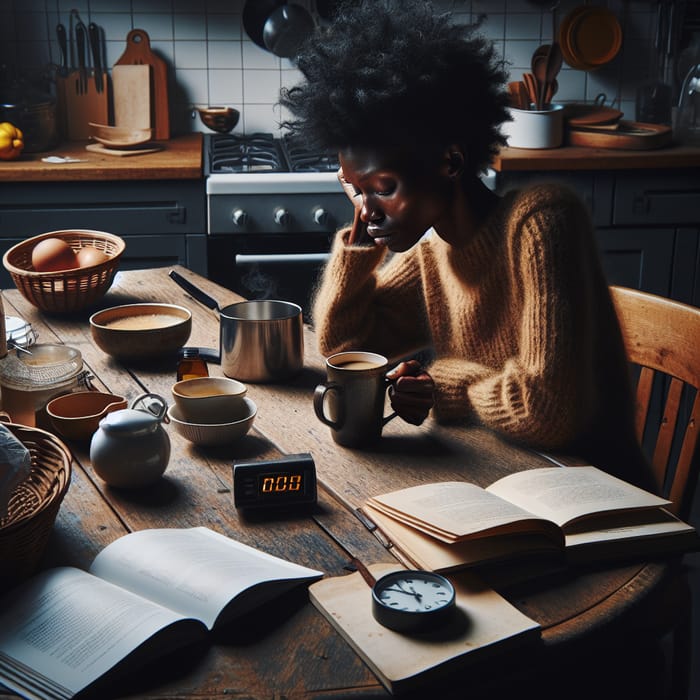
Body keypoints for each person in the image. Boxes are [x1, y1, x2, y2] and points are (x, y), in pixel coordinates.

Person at [279, 0, 655, 491]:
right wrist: (360, 231)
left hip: (596, 497)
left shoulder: (540, 224)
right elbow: (346, 351)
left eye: (385, 186)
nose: (369, 210)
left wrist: (443, 386)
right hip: (498, 483)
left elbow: (546, 411)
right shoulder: (432, 252)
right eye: (353, 187)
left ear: (451, 163)